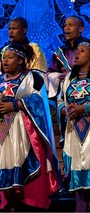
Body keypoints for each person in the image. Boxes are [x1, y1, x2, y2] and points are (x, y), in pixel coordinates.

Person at [0, 43, 60, 211]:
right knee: (6, 180)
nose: (5, 60)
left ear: (21, 60)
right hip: (0, 134)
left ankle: (27, 202)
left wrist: (16, 104)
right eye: (3, 57)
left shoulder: (33, 78)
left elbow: (39, 101)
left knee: (25, 177)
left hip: (22, 134)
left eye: (10, 57)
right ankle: (10, 203)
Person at [57, 41, 90, 212]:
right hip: (74, 132)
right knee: (79, 185)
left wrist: (84, 108)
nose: (77, 53)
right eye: (76, 50)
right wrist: (64, 110)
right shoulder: (69, 78)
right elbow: (61, 100)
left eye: (83, 51)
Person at [48, 15, 90, 109]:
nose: (66, 28)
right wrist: (60, 77)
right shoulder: (59, 52)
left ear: (80, 29)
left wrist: (73, 75)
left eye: (70, 25)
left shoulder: (88, 47)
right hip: (66, 94)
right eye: (65, 25)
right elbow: (50, 72)